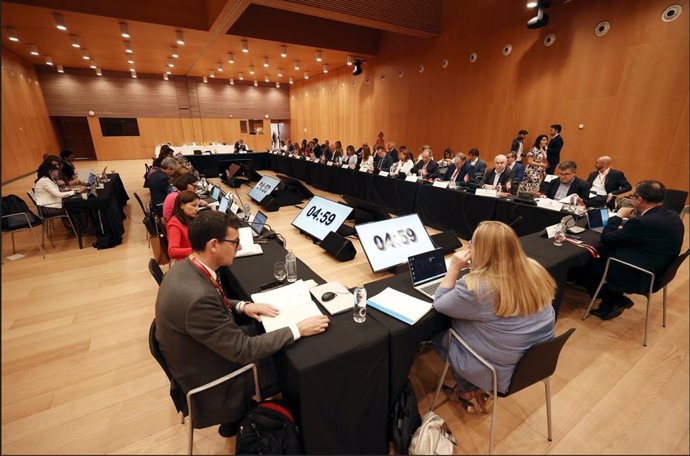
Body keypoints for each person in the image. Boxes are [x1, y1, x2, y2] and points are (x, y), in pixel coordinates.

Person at [155, 211, 330, 436]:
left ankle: (236, 419)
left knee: (266, 331)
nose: (238, 248)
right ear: (214, 245)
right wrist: (298, 328)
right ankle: (293, 427)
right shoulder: (197, 298)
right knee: (297, 361)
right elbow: (245, 351)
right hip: (214, 380)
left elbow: (215, 300)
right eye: (235, 242)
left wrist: (242, 306)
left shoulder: (186, 267)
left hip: (199, 353)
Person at [433, 221, 555, 413]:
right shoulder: (534, 268)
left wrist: (455, 268)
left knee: (440, 335)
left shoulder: (479, 286)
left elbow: (440, 303)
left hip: (499, 372)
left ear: (482, 251)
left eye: (472, 244)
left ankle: (468, 391)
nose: (468, 247)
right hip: (533, 364)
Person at [578, 180, 684, 320]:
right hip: (660, 268)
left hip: (639, 273)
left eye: (632, 196)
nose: (631, 198)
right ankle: (614, 298)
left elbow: (607, 238)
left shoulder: (642, 222)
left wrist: (618, 216)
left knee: (590, 263)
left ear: (639, 199)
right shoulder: (673, 216)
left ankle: (612, 300)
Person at [166, 190, 201, 261]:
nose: (197, 209)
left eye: (198, 206)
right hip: (189, 261)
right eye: (193, 205)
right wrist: (198, 250)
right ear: (182, 205)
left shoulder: (189, 218)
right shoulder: (174, 224)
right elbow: (172, 252)